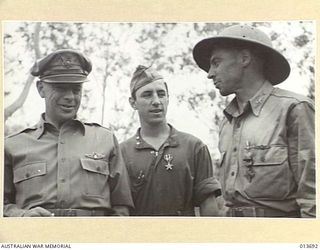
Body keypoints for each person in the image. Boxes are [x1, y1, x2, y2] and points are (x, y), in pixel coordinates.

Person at [192, 24, 315, 217]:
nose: (210, 74)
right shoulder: (227, 122)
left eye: (216, 63)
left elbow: (313, 195)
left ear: (244, 59)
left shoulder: (294, 109)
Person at [4, 49, 134, 217]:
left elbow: (122, 207)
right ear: (41, 89)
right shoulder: (12, 145)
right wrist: (21, 216)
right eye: (61, 88)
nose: (70, 97)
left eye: (75, 89)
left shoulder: (105, 139)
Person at [120, 65, 221, 216]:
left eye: (161, 94)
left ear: (168, 98)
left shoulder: (194, 147)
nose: (156, 101)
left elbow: (208, 205)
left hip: (185, 236)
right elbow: (120, 209)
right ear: (133, 103)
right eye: (147, 95)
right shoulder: (122, 152)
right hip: (140, 236)